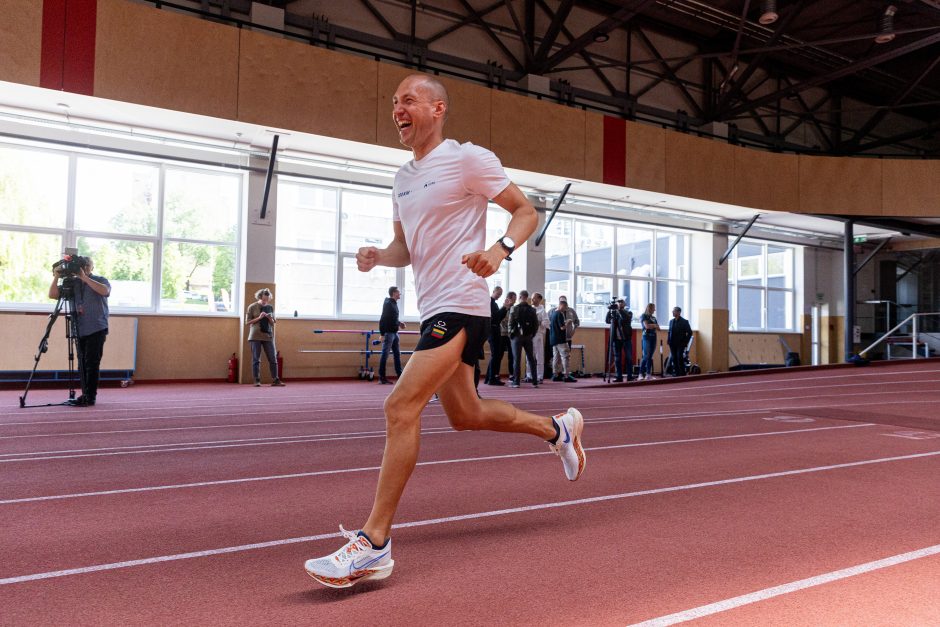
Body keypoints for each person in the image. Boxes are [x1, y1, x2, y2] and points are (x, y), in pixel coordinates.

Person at [304, 73, 586, 588]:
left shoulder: (467, 158)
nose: (398, 109)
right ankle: (557, 429)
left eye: (408, 100)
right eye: (393, 103)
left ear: (438, 108)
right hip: (431, 306)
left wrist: (499, 250)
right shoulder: (402, 179)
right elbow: (405, 250)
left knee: (400, 406)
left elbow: (527, 210)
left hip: (462, 303)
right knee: (467, 414)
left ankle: (374, 543)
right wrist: (377, 256)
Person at [48, 256, 110, 406]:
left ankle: (90, 396)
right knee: (82, 363)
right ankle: (85, 393)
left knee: (92, 362)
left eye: (88, 265)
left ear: (92, 267)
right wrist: (56, 276)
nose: (85, 268)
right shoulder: (73, 283)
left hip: (97, 327)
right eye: (83, 265)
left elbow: (105, 291)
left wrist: (84, 277)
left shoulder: (100, 279)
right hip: (79, 328)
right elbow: (53, 295)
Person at [245, 288, 285, 387]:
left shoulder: (270, 307)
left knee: (273, 358)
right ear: (259, 297)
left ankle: (276, 379)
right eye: (263, 300)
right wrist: (259, 317)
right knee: (256, 359)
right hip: (255, 336)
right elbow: (247, 322)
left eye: (267, 300)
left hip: (268, 335)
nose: (265, 302)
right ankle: (257, 380)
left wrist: (268, 317)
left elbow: (272, 323)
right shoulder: (252, 307)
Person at [508, 290, 539, 388]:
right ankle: (535, 382)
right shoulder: (532, 310)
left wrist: (511, 335)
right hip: (528, 336)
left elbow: (510, 323)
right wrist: (532, 334)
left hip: (517, 336)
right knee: (531, 359)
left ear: (520, 297)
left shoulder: (514, 308)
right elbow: (536, 325)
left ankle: (516, 382)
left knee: (516, 359)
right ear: (527, 297)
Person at [378, 286, 406, 384]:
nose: (400, 294)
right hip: (388, 333)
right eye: (398, 292)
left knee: (397, 354)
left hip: (394, 333)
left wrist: (399, 323)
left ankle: (400, 375)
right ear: (394, 293)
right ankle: (382, 377)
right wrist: (382, 334)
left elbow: (392, 318)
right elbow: (383, 319)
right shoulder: (388, 303)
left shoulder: (394, 304)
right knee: (385, 355)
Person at [605, 298, 634, 382]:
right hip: (616, 339)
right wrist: (609, 311)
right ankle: (619, 376)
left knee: (628, 357)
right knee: (617, 358)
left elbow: (626, 319)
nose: (620, 303)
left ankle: (629, 376)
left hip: (626, 338)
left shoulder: (628, 312)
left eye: (622, 302)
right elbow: (607, 321)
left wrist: (619, 310)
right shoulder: (614, 313)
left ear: (624, 304)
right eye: (618, 302)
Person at [549, 298, 576, 382]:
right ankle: (567, 375)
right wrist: (568, 322)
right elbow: (562, 328)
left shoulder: (553, 313)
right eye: (565, 308)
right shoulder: (560, 314)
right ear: (562, 305)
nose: (565, 310)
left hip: (553, 339)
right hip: (560, 339)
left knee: (556, 357)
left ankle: (555, 374)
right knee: (565, 357)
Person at [526, 292, 549, 384]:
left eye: (534, 298)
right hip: (529, 335)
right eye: (531, 298)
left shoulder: (542, 311)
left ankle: (539, 376)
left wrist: (538, 321)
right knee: (529, 355)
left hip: (538, 334)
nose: (532, 300)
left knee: (539, 355)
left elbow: (546, 323)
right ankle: (529, 375)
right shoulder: (528, 309)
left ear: (539, 299)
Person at [484, 286, 504, 385]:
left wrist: (505, 309)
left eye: (500, 295)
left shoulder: (494, 303)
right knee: (496, 355)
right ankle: (492, 378)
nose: (499, 296)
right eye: (498, 294)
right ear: (494, 291)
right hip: (492, 331)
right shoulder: (489, 302)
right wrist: (504, 308)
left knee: (496, 355)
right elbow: (495, 317)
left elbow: (498, 318)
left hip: (494, 330)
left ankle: (489, 377)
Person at [667, 306, 693, 377]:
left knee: (679, 357)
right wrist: (668, 340)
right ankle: (677, 373)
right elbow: (669, 332)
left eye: (674, 311)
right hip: (672, 343)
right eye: (672, 311)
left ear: (678, 312)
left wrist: (685, 342)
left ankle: (682, 373)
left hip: (680, 343)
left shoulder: (684, 322)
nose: (672, 312)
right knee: (674, 358)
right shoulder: (671, 321)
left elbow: (690, 332)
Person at [639, 302, 660, 380]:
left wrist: (654, 326)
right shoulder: (643, 316)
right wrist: (654, 325)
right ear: (649, 308)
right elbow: (646, 326)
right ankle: (640, 374)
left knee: (650, 356)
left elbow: (659, 328)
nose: (654, 310)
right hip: (646, 337)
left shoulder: (654, 318)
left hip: (653, 337)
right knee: (646, 356)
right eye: (653, 308)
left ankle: (648, 374)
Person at [498, 291, 516, 379]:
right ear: (509, 298)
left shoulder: (514, 309)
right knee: (499, 354)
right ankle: (496, 374)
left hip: (511, 335)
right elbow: (502, 320)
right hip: (502, 334)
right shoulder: (503, 308)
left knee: (512, 355)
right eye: (513, 299)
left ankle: (512, 374)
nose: (515, 301)